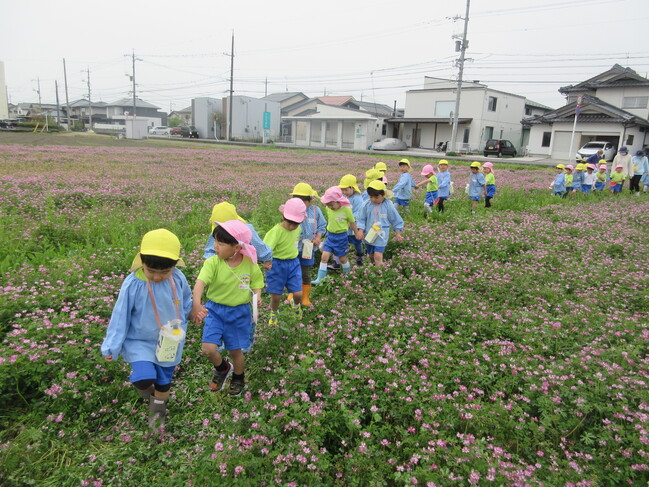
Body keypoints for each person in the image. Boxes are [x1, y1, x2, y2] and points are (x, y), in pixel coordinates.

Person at [101, 229, 192, 429]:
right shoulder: (133, 284)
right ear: (142, 261)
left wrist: (191, 311)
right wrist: (111, 345)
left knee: (163, 382)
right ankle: (150, 395)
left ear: (174, 266)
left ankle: (157, 413)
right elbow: (120, 315)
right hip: (140, 341)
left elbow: (186, 299)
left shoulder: (178, 279)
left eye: (164, 272)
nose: (157, 277)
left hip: (170, 340)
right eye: (151, 271)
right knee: (143, 377)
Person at [191, 221, 264, 397]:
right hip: (214, 310)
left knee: (235, 350)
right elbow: (200, 283)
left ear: (237, 247)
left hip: (239, 313)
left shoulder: (249, 263)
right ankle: (223, 368)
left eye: (221, 244)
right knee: (208, 348)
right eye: (215, 241)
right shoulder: (213, 263)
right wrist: (197, 304)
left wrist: (258, 295)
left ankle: (238, 378)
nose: (215, 247)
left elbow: (256, 282)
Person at [262, 198, 307, 325]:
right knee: (276, 295)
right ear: (283, 216)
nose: (293, 227)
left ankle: (295, 305)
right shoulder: (276, 232)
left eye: (296, 223)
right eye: (290, 223)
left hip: (293, 263)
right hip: (277, 264)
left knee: (298, 293)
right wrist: (267, 261)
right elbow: (267, 248)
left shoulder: (298, 229)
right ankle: (274, 313)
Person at [312, 186, 363, 284]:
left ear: (339, 201)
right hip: (330, 236)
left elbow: (352, 222)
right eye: (328, 205)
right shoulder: (328, 208)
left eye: (332, 205)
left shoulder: (346, 210)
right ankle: (319, 279)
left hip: (341, 237)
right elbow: (323, 201)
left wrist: (357, 233)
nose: (330, 207)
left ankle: (347, 276)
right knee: (324, 257)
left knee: (342, 258)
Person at [288, 183, 326, 307]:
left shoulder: (316, 211)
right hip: (293, 248)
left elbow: (322, 226)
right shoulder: (291, 211)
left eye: (304, 202)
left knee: (306, 273)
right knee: (292, 272)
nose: (301, 205)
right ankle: (292, 293)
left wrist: (318, 237)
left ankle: (305, 297)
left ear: (310, 200)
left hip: (308, 249)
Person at [203, 202, 272, 270]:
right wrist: (215, 264)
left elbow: (259, 247)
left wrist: (267, 259)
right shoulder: (217, 233)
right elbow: (209, 251)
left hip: (244, 265)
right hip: (223, 269)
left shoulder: (246, 230)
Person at [356, 180, 404, 266]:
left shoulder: (388, 205)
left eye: (376, 197)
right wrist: (360, 230)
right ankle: (374, 268)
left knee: (378, 256)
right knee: (371, 256)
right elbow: (361, 218)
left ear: (383, 195)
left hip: (381, 235)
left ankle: (379, 273)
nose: (373, 199)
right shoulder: (366, 204)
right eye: (371, 197)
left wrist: (398, 233)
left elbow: (395, 219)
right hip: (369, 234)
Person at [339, 174, 366, 265]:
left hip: (355, 224)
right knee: (343, 240)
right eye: (343, 190)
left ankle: (360, 255)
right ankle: (340, 258)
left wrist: (351, 220)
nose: (344, 192)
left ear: (352, 188)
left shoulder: (357, 198)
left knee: (357, 241)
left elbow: (359, 212)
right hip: (345, 224)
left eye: (346, 190)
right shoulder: (345, 197)